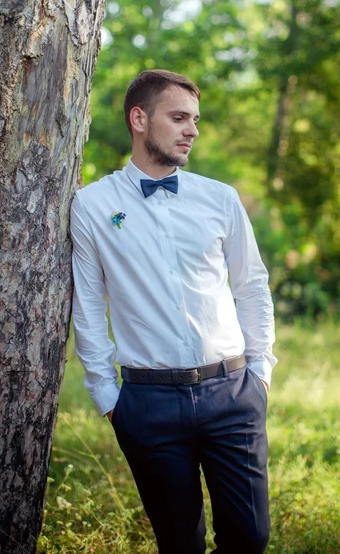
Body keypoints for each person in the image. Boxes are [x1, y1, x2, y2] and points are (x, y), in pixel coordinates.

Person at [70, 69, 277, 554]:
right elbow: (87, 304)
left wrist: (260, 370)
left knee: (250, 537)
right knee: (179, 543)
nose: (193, 130)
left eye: (195, 120)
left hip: (232, 395)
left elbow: (252, 285)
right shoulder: (92, 205)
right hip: (148, 404)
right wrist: (107, 395)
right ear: (139, 119)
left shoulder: (219, 198)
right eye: (179, 117)